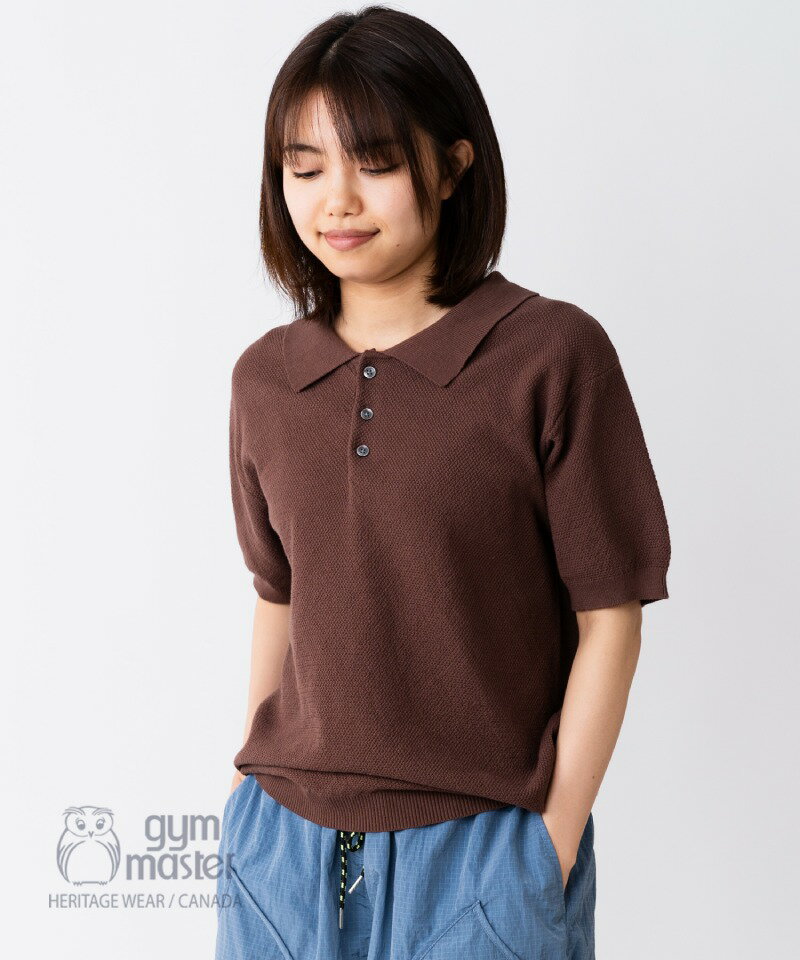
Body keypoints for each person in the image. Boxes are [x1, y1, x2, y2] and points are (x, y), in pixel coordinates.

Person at [215, 6, 671, 960]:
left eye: (375, 163)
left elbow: (611, 617)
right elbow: (278, 596)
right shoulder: (265, 378)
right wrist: (242, 796)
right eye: (305, 168)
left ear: (455, 165)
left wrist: (547, 844)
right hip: (280, 852)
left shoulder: (550, 354)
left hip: (483, 854)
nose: (336, 200)